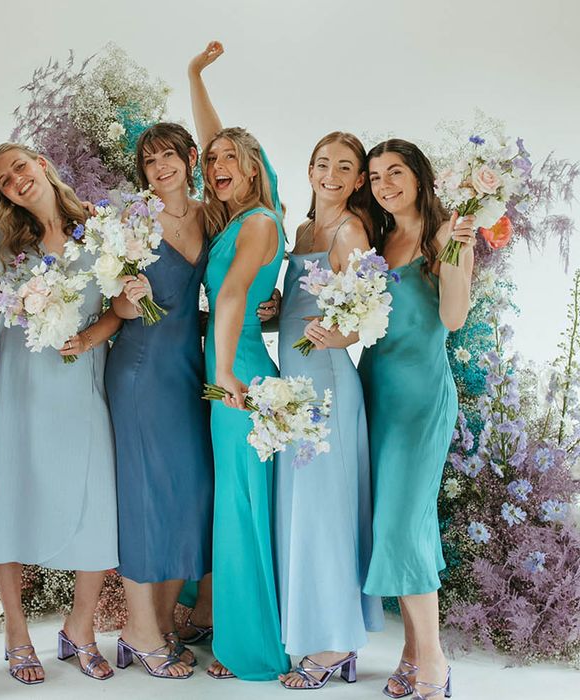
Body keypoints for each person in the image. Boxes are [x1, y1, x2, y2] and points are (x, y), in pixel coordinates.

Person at [0, 143, 121, 685]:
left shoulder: (100, 227)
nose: (15, 180)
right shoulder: (2, 236)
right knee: (11, 496)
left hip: (80, 378)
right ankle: (16, 631)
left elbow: (120, 310)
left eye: (20, 165)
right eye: (2, 179)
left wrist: (89, 337)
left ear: (42, 163)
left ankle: (79, 627)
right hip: (18, 381)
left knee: (97, 497)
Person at [358, 139, 475, 700]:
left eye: (395, 172)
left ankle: (434, 660)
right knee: (400, 523)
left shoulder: (446, 236)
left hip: (421, 398)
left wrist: (454, 255)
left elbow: (452, 318)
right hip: (375, 391)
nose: (385, 183)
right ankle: (410, 652)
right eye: (376, 175)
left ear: (419, 176)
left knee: (402, 526)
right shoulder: (378, 239)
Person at [188, 41, 289, 681]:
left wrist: (225, 374)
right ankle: (234, 626)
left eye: (233, 158)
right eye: (214, 160)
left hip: (242, 381)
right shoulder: (235, 217)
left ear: (254, 170)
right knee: (234, 505)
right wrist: (194, 75)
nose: (220, 163)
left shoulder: (256, 222)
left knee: (244, 510)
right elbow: (210, 143)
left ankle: (248, 646)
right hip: (228, 373)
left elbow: (228, 298)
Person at [274, 132, 385, 689]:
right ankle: (315, 629)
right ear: (310, 168)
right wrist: (276, 309)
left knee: (326, 510)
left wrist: (335, 335)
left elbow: (365, 316)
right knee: (304, 510)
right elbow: (297, 307)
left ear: (360, 179)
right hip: (293, 382)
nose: (332, 174)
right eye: (323, 164)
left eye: (346, 167)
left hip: (327, 387)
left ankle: (336, 642)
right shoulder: (301, 231)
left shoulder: (351, 231)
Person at [105, 122, 213, 679]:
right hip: (141, 369)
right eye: (149, 162)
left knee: (189, 491)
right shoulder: (133, 220)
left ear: (190, 158)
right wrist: (129, 297)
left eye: (168, 156)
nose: (160, 168)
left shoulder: (208, 215)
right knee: (145, 493)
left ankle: (164, 619)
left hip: (188, 368)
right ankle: (138, 628)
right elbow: (118, 309)